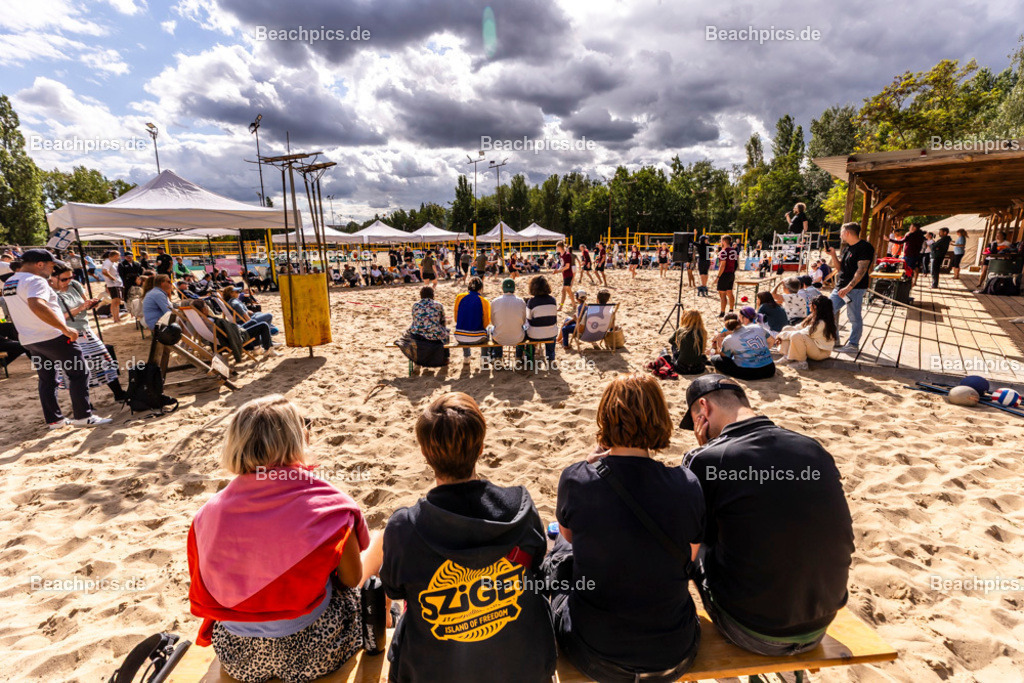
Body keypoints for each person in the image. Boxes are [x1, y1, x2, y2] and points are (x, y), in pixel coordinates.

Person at [188, 395, 383, 683]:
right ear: (296, 440)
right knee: (378, 549)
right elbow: (351, 579)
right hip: (316, 650)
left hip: (238, 656)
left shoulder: (207, 514)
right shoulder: (328, 505)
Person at [380, 392, 556, 682]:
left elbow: (395, 590)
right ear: (482, 447)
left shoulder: (405, 526)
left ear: (425, 454)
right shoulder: (520, 508)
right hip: (523, 669)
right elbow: (537, 563)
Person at [680, 376, 854, 656]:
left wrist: (702, 452)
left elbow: (695, 533)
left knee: (690, 544)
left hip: (752, 630)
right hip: (821, 622)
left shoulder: (707, 460)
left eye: (696, 420)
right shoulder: (812, 447)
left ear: (704, 407)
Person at [546, 374, 704, 682]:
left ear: (604, 418)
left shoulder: (577, 479)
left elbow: (569, 537)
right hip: (673, 653)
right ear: (660, 418)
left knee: (559, 550)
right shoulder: (687, 485)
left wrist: (587, 467)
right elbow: (690, 556)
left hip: (595, 655)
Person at [1, 250, 111, 428]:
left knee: (47, 379)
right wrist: (64, 328)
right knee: (79, 372)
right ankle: (83, 416)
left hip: (29, 338)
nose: (52, 271)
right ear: (39, 264)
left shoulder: (10, 282)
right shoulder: (35, 280)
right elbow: (36, 304)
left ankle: (55, 420)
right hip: (51, 335)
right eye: (52, 266)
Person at [51, 262, 126, 401]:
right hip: (67, 333)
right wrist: (80, 308)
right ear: (53, 277)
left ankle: (119, 393)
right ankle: (84, 403)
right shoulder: (50, 293)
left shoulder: (74, 285)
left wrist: (91, 304)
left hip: (85, 329)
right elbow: (57, 318)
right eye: (64, 279)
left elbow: (86, 305)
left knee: (104, 361)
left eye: (70, 277)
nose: (68, 281)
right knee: (77, 368)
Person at [828, 222, 874, 353]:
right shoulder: (847, 248)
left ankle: (853, 344)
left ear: (847, 233)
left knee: (853, 316)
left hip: (854, 289)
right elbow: (840, 268)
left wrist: (848, 288)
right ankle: (834, 339)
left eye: (842, 232)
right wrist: (833, 255)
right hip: (840, 287)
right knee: (828, 310)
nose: (840, 235)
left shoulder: (865, 247)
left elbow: (862, 270)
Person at [773, 295, 838, 370]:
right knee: (787, 328)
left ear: (815, 306)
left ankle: (802, 363)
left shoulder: (821, 322)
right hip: (813, 346)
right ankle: (787, 356)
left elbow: (802, 333)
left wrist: (779, 335)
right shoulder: (814, 316)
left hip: (821, 352)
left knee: (796, 335)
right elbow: (799, 327)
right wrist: (784, 332)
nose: (809, 305)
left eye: (810, 304)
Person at [709, 310, 775, 380]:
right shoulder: (757, 327)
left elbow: (724, 357)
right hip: (770, 368)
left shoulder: (729, 339)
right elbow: (772, 341)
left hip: (749, 373)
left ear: (726, 327)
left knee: (715, 359)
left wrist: (718, 340)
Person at [488, 278, 527, 362]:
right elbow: (523, 321)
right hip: (518, 338)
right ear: (514, 288)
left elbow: (493, 322)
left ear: (502, 288)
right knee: (522, 328)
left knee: (493, 329)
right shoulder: (521, 301)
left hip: (499, 338)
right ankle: (518, 356)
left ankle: (498, 356)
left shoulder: (495, 301)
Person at [453, 276, 491, 358]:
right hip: (478, 338)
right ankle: (484, 358)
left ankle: (466, 357)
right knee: (488, 329)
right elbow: (486, 322)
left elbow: (456, 319)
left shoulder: (459, 297)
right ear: (481, 288)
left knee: (464, 325)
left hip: (460, 337)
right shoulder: (484, 301)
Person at [524, 275, 558, 363]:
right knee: (551, 332)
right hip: (551, 333)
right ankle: (551, 357)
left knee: (528, 333)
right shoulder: (553, 300)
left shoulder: (531, 302)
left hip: (534, 335)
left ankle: (529, 357)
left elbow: (528, 319)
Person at [667, 309, 708, 374]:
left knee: (674, 345)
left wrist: (680, 344)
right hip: (698, 368)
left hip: (681, 368)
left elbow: (670, 341)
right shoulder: (703, 332)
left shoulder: (681, 331)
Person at [715, 235, 738, 317]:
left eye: (721, 241)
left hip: (724, 274)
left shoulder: (723, 251)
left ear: (724, 241)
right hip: (731, 273)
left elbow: (722, 265)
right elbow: (736, 264)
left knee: (722, 295)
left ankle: (722, 313)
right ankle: (731, 311)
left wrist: (718, 277)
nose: (720, 242)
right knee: (730, 293)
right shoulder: (734, 251)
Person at [100, 250, 124, 323]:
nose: (118, 258)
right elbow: (104, 271)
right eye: (117, 257)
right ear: (113, 256)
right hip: (113, 285)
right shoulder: (108, 262)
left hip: (116, 284)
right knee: (115, 301)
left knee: (117, 301)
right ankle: (115, 318)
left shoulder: (111, 262)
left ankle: (117, 317)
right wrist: (113, 278)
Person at [555, 241, 574, 309]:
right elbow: (562, 265)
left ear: (560, 247)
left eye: (557, 247)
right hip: (565, 275)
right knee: (567, 291)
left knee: (565, 291)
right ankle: (574, 304)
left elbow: (567, 266)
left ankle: (561, 306)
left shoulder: (567, 255)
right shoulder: (561, 255)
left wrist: (558, 271)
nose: (556, 248)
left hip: (568, 274)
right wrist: (558, 270)